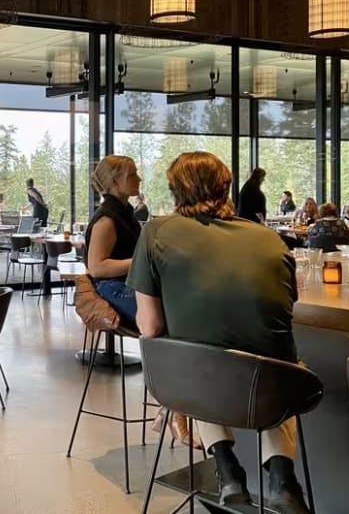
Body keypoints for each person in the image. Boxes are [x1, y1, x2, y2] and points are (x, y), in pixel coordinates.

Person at [129, 152, 309, 513]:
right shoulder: (269, 239)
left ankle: (227, 469)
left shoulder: (155, 232)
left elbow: (150, 327)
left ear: (176, 191)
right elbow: (289, 301)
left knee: (202, 358)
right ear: (226, 188)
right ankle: (282, 477)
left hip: (202, 384)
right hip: (272, 388)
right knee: (277, 366)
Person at [85, 155, 142, 330]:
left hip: (125, 283)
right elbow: (97, 268)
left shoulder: (124, 214)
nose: (139, 179)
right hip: (111, 286)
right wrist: (141, 262)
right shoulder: (107, 219)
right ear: (115, 181)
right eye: (132, 175)